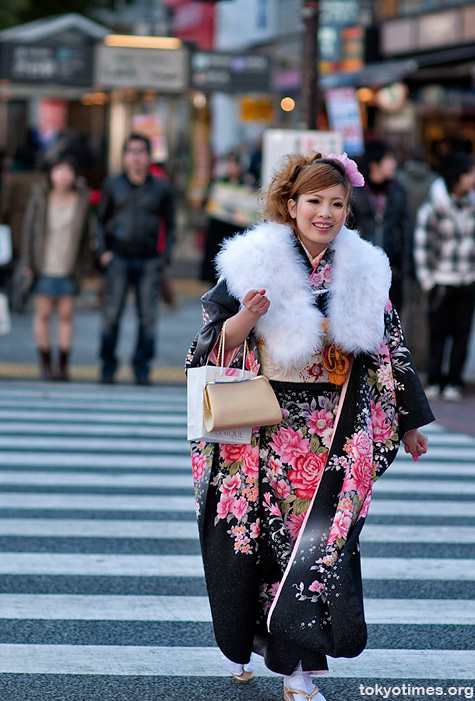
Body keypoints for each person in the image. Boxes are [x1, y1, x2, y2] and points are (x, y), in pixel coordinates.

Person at [186, 152, 434, 701]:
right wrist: (247, 318)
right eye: (315, 201)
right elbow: (204, 350)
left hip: (338, 430)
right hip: (267, 428)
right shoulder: (254, 261)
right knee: (271, 548)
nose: (326, 213)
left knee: (322, 549)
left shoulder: (364, 269)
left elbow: (390, 348)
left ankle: (293, 664)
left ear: (349, 210)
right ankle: (283, 664)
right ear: (291, 204)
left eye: (337, 204)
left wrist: (410, 420)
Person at [96, 133, 175, 385]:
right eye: (131, 151)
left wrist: (165, 257)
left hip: (150, 260)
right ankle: (108, 366)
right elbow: (99, 220)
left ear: (149, 156)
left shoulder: (161, 187)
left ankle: (142, 367)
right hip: (118, 257)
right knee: (111, 315)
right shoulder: (112, 184)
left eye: (141, 151)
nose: (136, 157)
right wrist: (103, 252)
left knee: (148, 318)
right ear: (124, 157)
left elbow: (171, 225)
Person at [20, 155, 92, 381]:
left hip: (69, 267)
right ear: (51, 174)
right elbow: (28, 231)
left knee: (66, 315)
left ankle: (62, 366)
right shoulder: (40, 197)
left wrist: (86, 266)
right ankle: (45, 365)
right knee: (42, 314)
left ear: (74, 175)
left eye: (68, 170)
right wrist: (27, 263)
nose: (63, 175)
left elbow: (87, 237)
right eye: (58, 170)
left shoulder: (81, 199)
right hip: (43, 265)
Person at [414, 152, 475, 402]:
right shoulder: (432, 208)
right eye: (470, 173)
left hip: (468, 279)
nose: (473, 178)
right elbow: (422, 246)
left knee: (462, 333)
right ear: (457, 177)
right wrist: (428, 280)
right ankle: (437, 379)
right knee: (438, 333)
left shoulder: (472, 205)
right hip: (441, 280)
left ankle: (454, 381)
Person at [351, 140, 413, 314]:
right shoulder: (356, 192)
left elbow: (406, 229)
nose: (393, 164)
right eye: (389, 159)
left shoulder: (398, 192)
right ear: (374, 164)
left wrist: (404, 267)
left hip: (392, 269)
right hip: (361, 268)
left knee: (392, 319)